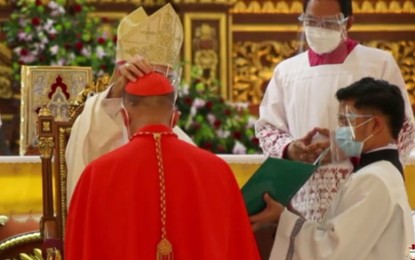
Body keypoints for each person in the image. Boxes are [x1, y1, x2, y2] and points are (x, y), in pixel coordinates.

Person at [65, 72, 260, 260]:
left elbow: (81, 248)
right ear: (175, 119)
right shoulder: (218, 170)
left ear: (125, 118)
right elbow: (238, 248)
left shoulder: (97, 173)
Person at [255, 0, 415, 221]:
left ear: (348, 23)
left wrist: (344, 146)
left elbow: (403, 128)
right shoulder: (286, 72)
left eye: (329, 23)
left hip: (363, 192)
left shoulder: (378, 64)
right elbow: (267, 129)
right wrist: (291, 149)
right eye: (311, 21)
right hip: (303, 197)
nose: (318, 29)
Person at [251, 77, 414, 260]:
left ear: (375, 125)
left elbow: (333, 250)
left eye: (346, 121)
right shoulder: (382, 172)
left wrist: (282, 219)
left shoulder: (374, 180)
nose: (340, 130)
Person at [65, 3, 193, 202]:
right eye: (142, 74)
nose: (155, 85)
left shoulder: (180, 138)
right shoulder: (97, 115)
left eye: (162, 76)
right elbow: (88, 174)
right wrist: (117, 91)